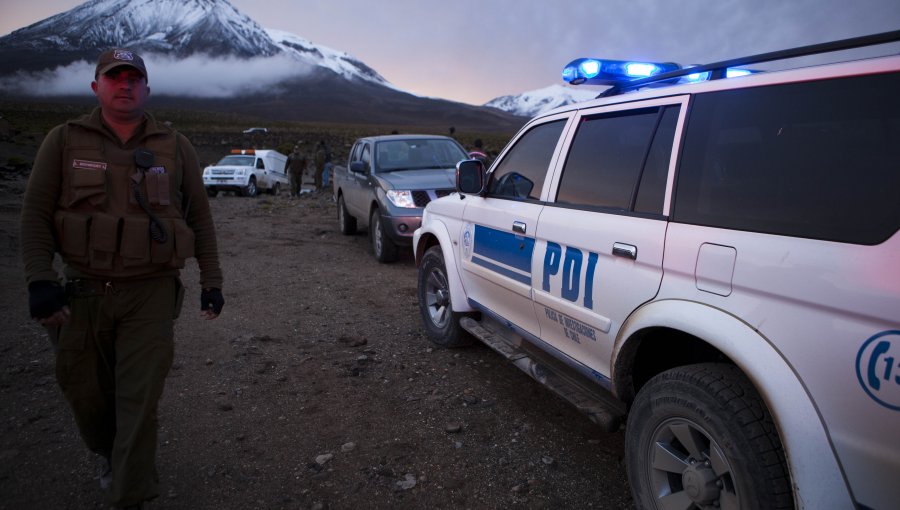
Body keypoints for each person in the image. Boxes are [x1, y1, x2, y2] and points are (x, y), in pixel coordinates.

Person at [20, 48, 224, 510]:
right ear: (97, 87)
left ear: (147, 89)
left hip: (150, 294)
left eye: (135, 78)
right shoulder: (64, 140)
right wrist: (40, 281)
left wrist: (212, 281)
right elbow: (34, 214)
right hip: (82, 291)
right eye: (115, 77)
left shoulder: (176, 146)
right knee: (85, 394)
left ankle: (128, 494)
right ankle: (107, 454)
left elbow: (201, 219)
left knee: (139, 399)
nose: (126, 84)